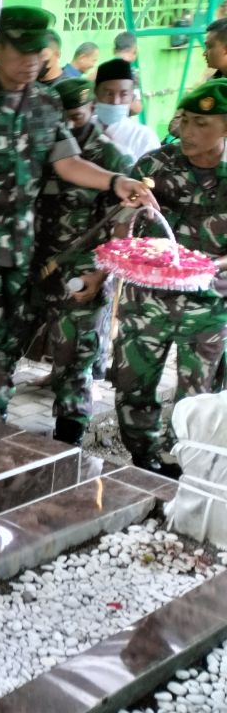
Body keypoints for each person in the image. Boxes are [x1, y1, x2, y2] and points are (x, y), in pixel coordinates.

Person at [0, 6, 154, 422]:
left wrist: (116, 181)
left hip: (23, 247)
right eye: (21, 51)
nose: (31, 61)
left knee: (10, 340)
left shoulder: (48, 102)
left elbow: (68, 163)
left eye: (38, 52)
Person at [113, 79, 227, 477]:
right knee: (132, 385)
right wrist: (127, 215)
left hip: (210, 302)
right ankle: (144, 461)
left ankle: (189, 462)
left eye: (202, 124)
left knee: (199, 394)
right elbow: (119, 225)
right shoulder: (154, 165)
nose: (189, 132)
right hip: (147, 300)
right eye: (186, 120)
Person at [31, 78, 133, 447]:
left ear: (90, 111)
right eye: (61, 119)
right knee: (7, 348)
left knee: (74, 358)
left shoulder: (110, 159)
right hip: (33, 265)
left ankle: (68, 439)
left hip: (82, 271)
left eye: (75, 118)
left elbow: (122, 230)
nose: (68, 128)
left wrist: (101, 274)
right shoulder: (40, 147)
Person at [94, 58, 160, 162]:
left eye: (123, 94)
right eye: (109, 93)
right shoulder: (84, 126)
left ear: (132, 97)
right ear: (96, 94)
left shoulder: (144, 137)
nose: (115, 101)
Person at [113, 31, 144, 117]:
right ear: (135, 51)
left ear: (114, 51)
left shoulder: (99, 71)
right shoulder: (133, 74)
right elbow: (137, 108)